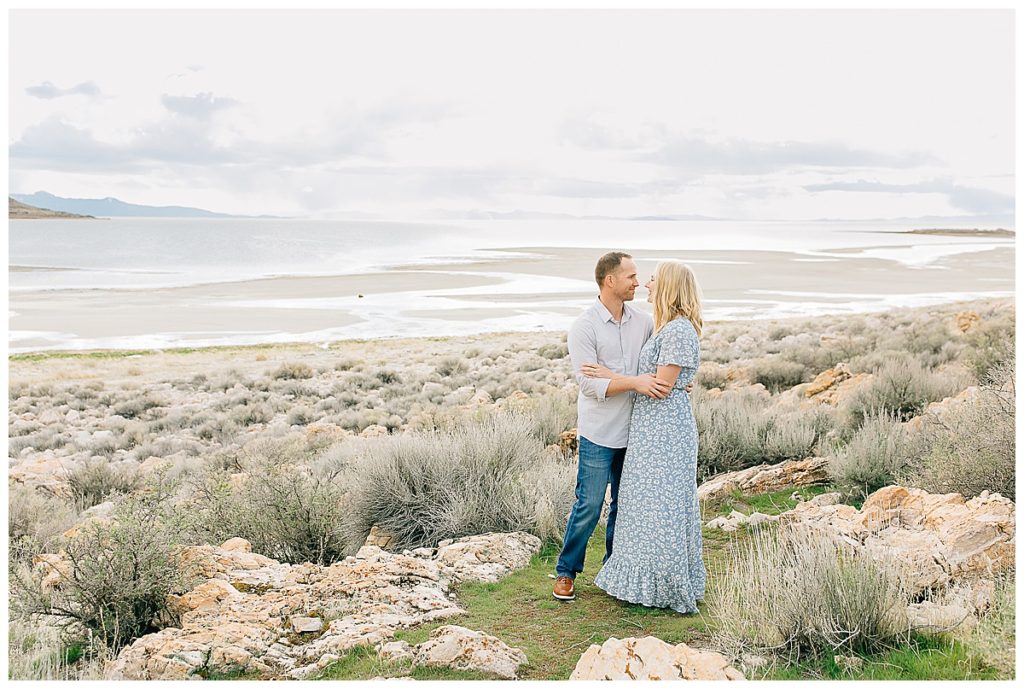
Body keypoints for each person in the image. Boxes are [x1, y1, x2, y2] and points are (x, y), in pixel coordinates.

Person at [553, 251, 690, 602]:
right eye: (630, 276)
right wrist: (635, 383)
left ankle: (616, 569)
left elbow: (662, 366)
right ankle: (567, 571)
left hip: (640, 434)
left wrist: (677, 381)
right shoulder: (584, 327)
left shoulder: (644, 321)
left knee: (625, 507)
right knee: (589, 503)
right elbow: (589, 385)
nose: (637, 282)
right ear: (609, 280)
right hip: (600, 432)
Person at [586, 260, 706, 614]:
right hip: (653, 430)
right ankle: (643, 578)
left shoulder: (678, 331)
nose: (647, 284)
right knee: (647, 505)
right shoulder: (665, 328)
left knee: (662, 506)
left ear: (668, 286)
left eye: (653, 279)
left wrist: (609, 375)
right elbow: (662, 380)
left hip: (665, 432)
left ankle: (664, 584)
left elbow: (661, 387)